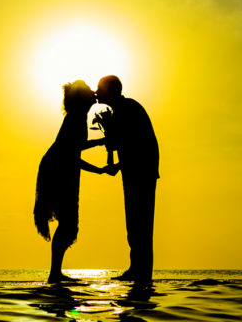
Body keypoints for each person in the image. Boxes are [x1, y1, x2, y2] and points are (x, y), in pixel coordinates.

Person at [34, 80, 109, 283]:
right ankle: (55, 273)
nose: (94, 94)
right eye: (90, 93)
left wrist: (101, 147)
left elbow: (75, 148)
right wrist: (100, 169)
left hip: (60, 167)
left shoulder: (77, 117)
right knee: (67, 223)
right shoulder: (76, 118)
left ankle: (55, 273)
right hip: (58, 169)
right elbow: (72, 153)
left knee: (67, 223)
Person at [95, 75, 159, 284]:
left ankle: (142, 274)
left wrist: (117, 162)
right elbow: (122, 143)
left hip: (141, 173)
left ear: (111, 91)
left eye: (100, 89)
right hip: (134, 171)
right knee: (134, 223)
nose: (96, 93)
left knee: (141, 224)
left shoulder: (128, 109)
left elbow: (136, 144)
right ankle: (137, 270)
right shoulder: (121, 110)